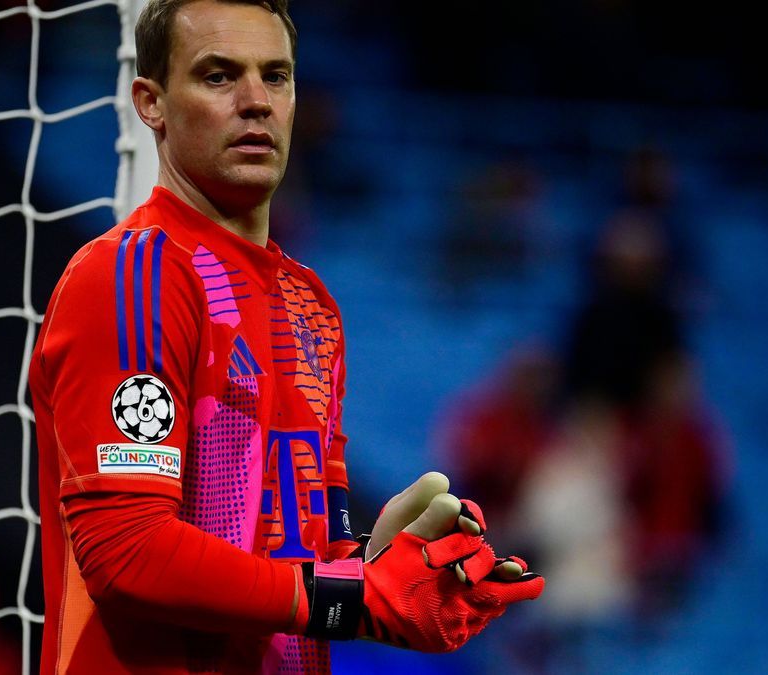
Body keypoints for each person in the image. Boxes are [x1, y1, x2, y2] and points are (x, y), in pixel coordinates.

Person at [27, 1, 544, 672]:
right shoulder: (134, 275)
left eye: (276, 76)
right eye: (218, 76)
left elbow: (300, 562)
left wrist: (379, 568)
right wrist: (348, 598)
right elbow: (128, 550)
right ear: (150, 103)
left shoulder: (311, 304)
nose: (255, 101)